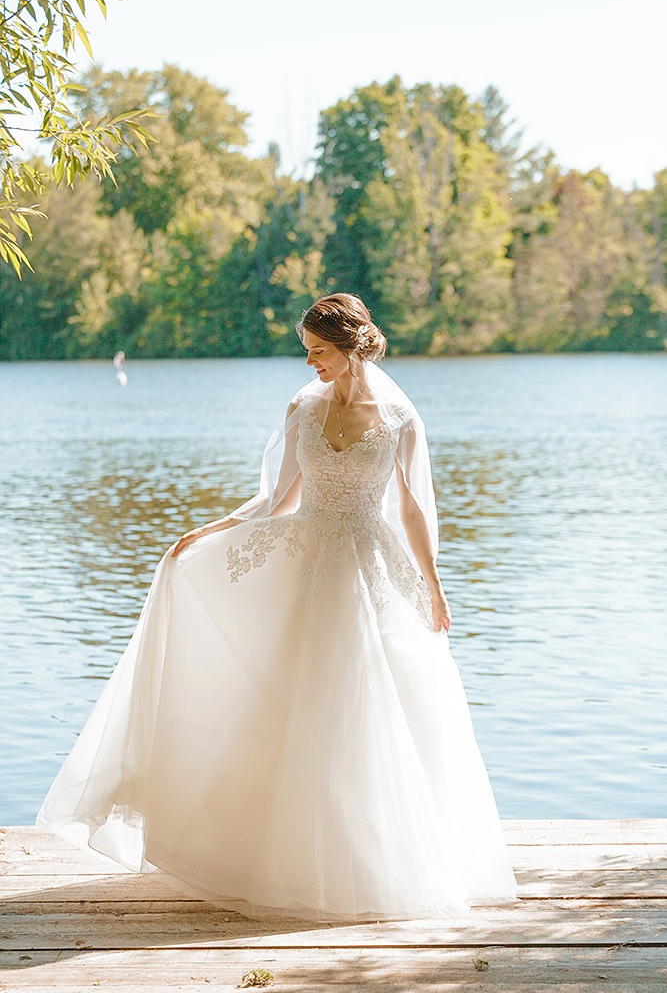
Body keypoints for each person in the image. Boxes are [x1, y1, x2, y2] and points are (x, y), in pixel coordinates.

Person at [37, 293, 517, 921]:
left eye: (320, 352)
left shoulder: (401, 418)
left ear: (351, 349)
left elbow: (411, 509)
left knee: (375, 708)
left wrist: (433, 583)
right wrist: (213, 532)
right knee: (292, 706)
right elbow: (278, 497)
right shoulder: (304, 406)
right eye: (307, 352)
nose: (311, 362)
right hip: (308, 567)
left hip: (368, 567)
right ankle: (278, 854)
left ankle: (381, 861)